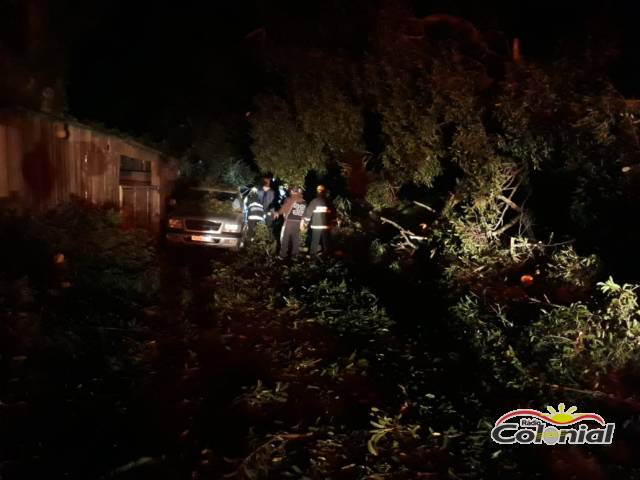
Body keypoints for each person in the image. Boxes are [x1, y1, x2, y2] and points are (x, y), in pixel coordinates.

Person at [277, 186, 306, 258]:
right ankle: (295, 254)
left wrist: (277, 212)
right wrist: (302, 223)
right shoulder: (304, 201)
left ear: (292, 191)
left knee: (285, 238)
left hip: (289, 221)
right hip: (298, 221)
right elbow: (304, 214)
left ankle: (283, 255)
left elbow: (282, 210)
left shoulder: (290, 199)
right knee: (295, 238)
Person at [304, 184, 332, 255]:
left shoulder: (314, 201)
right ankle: (327, 256)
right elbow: (332, 213)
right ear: (324, 192)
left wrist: (306, 222)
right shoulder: (328, 202)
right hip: (326, 226)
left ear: (317, 192)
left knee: (315, 241)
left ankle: (313, 256)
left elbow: (308, 212)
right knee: (326, 242)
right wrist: (333, 222)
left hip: (316, 225)